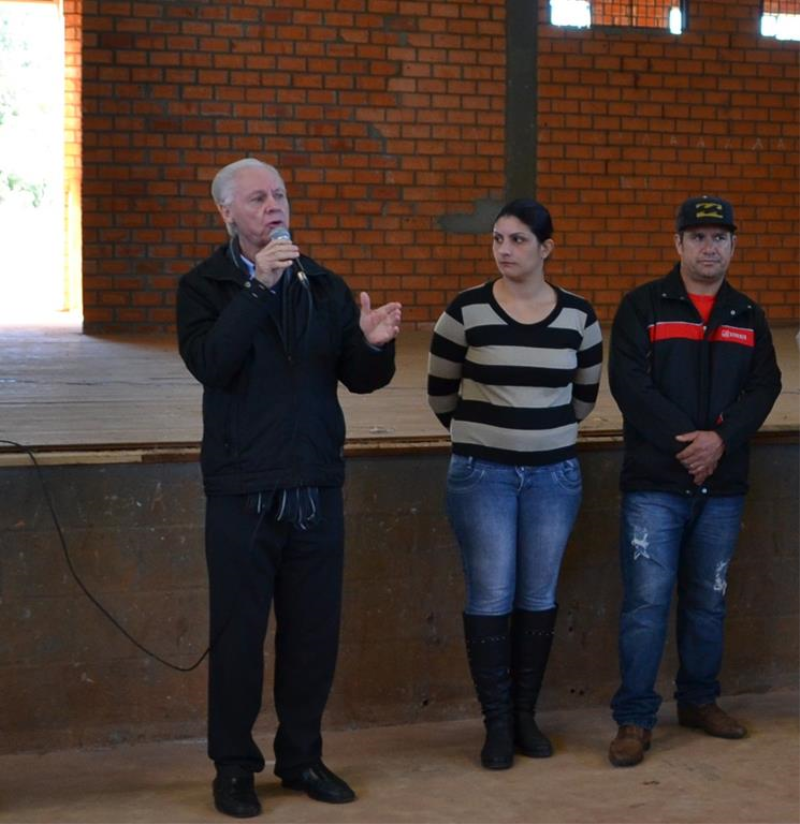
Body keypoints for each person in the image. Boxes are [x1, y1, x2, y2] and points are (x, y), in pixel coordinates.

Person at [176, 157, 401, 818]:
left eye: (279, 194)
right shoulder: (205, 287)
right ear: (227, 213)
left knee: (311, 637)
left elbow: (358, 378)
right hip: (242, 490)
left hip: (313, 485)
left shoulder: (323, 285)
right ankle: (235, 766)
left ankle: (301, 755)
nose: (273, 205)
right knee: (240, 638)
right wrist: (257, 291)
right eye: (257, 198)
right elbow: (214, 363)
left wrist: (374, 344)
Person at [427, 198, 603, 770]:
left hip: (556, 475)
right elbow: (440, 395)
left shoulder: (579, 316)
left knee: (537, 596)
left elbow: (583, 399)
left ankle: (526, 714)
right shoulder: (466, 311)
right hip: (484, 476)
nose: (505, 250)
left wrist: (537, 436)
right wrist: (491, 437)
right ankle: (497, 721)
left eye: (518, 240)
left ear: (547, 248)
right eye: (498, 239)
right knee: (492, 595)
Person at [607, 195, 782, 768]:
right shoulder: (644, 307)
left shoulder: (747, 316)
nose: (710, 247)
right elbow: (631, 386)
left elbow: (764, 387)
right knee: (646, 604)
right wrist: (692, 443)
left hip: (722, 486)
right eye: (699, 236)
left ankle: (699, 702)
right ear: (678, 243)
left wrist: (721, 441)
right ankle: (634, 717)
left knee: (709, 602)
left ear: (734, 245)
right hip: (657, 483)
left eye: (721, 237)